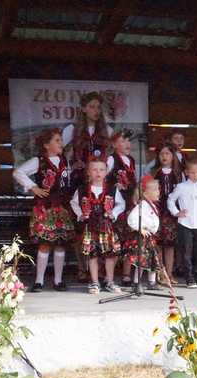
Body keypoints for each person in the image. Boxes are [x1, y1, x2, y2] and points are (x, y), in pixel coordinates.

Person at [13, 128, 75, 292]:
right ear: (46, 145)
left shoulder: (64, 161)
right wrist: (33, 187)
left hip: (61, 206)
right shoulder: (38, 161)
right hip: (45, 206)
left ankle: (58, 280)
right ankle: (39, 281)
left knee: (60, 243)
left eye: (60, 140)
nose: (60, 143)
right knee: (45, 243)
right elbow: (18, 172)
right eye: (57, 140)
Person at [61, 91, 113, 283]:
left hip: (99, 181)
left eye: (98, 107)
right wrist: (71, 166)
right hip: (79, 181)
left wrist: (105, 170)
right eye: (91, 106)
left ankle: (99, 270)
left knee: (100, 225)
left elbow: (111, 155)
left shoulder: (105, 130)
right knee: (81, 225)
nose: (96, 110)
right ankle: (82, 267)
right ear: (83, 108)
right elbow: (60, 154)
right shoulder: (71, 130)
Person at [70, 158, 125, 294]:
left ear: (106, 172)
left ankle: (109, 281)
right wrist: (80, 214)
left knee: (110, 255)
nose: (98, 172)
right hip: (90, 226)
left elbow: (121, 203)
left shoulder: (112, 189)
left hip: (107, 226)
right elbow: (73, 203)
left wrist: (114, 213)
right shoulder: (82, 189)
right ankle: (94, 282)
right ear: (88, 172)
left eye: (101, 169)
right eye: (94, 169)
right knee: (92, 254)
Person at [167, 158, 197, 288]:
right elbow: (171, 200)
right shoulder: (181, 187)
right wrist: (176, 212)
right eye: (193, 172)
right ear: (187, 172)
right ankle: (190, 278)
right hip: (185, 223)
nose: (196, 175)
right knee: (186, 252)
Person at [106, 130, 137, 286]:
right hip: (118, 204)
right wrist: (113, 186)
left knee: (129, 239)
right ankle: (107, 275)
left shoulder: (131, 160)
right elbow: (103, 177)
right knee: (117, 239)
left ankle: (126, 274)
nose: (127, 144)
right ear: (114, 144)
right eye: (122, 141)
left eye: (128, 141)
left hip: (130, 203)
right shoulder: (112, 159)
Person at [150, 142, 183, 284]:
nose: (164, 156)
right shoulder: (154, 172)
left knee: (170, 245)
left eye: (167, 153)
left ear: (173, 156)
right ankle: (160, 273)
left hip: (172, 214)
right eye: (161, 153)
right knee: (157, 244)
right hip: (157, 212)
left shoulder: (178, 173)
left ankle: (169, 273)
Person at [126, 176, 163, 294]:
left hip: (151, 237)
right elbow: (131, 219)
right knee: (141, 260)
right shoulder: (142, 205)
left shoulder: (151, 205)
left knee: (153, 259)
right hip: (143, 238)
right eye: (156, 189)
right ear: (146, 193)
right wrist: (140, 228)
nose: (158, 192)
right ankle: (137, 282)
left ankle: (152, 281)